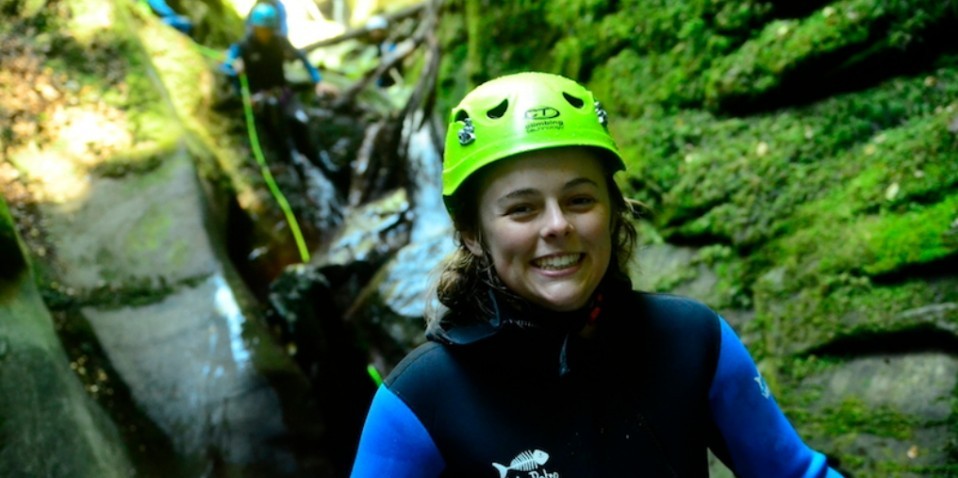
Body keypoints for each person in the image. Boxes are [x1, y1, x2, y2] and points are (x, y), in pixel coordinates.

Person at [349, 72, 845, 477]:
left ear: (612, 209)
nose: (558, 225)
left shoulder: (693, 341)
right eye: (522, 209)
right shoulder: (421, 401)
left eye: (579, 199)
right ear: (473, 234)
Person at [221, 2, 342, 183]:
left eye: (268, 29)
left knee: (301, 120)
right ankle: (291, 158)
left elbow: (302, 58)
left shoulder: (279, 41)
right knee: (275, 114)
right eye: (262, 29)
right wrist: (236, 72)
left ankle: (322, 162)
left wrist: (318, 81)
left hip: (283, 92)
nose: (265, 34)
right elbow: (227, 68)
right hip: (260, 98)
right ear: (254, 27)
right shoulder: (243, 46)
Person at [364, 15, 401, 88]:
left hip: (390, 83)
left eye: (376, 31)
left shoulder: (389, 44)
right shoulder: (376, 46)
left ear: (383, 31)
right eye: (372, 31)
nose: (374, 34)